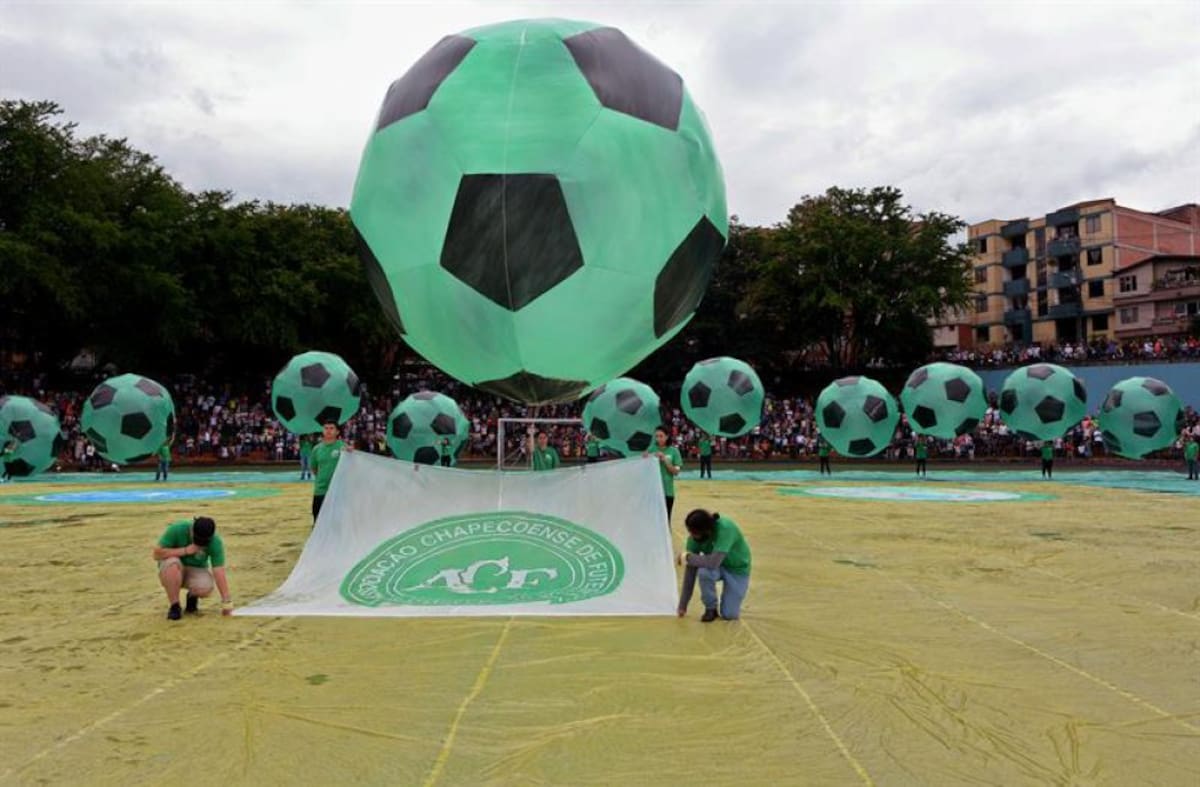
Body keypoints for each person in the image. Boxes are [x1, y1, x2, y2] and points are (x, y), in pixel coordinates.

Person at [676, 509, 751, 622]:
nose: (692, 536)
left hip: (737, 569)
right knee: (704, 573)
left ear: (707, 531)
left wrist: (687, 558)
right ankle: (711, 609)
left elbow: (713, 562)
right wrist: (683, 605)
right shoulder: (693, 540)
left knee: (729, 615)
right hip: (716, 567)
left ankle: (727, 605)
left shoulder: (725, 529)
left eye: (694, 533)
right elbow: (690, 574)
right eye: (690, 532)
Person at [151, 516, 232, 621]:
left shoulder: (215, 541)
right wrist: (185, 550)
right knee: (172, 564)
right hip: (173, 567)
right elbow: (156, 555)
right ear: (192, 529)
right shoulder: (177, 529)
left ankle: (192, 596)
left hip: (196, 569)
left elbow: (218, 570)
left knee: (205, 587)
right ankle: (175, 606)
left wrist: (226, 601)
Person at [310, 420, 351, 522]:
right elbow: (314, 469)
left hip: (338, 491)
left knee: (337, 522)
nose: (328, 431)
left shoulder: (343, 447)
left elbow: (351, 465)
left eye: (331, 428)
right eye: (326, 428)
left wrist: (350, 452)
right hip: (321, 491)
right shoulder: (316, 449)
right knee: (318, 521)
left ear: (337, 432)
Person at [651, 427, 683, 524]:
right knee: (653, 521)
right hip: (653, 492)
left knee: (665, 521)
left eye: (661, 436)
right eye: (656, 436)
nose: (658, 439)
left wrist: (665, 460)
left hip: (667, 492)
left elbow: (676, 472)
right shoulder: (651, 449)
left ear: (667, 437)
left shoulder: (674, 451)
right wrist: (648, 457)